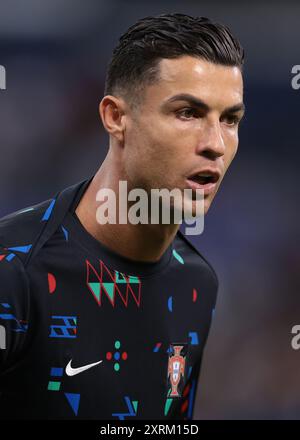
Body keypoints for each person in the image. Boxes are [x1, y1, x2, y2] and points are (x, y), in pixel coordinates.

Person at [0, 13, 245, 420]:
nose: (215, 144)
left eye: (230, 120)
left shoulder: (197, 284)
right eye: (187, 113)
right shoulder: (14, 270)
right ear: (116, 117)